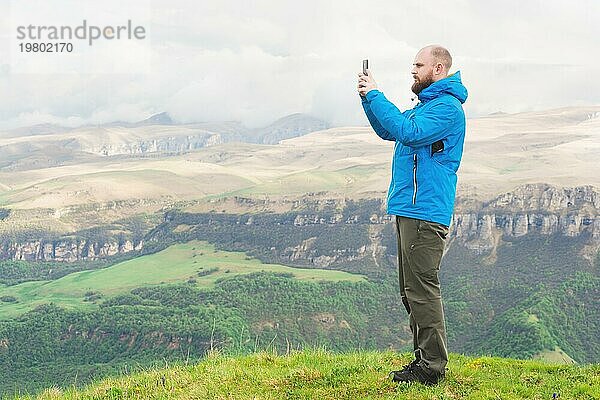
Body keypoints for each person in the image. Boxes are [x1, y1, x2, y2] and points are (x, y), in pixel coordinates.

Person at [357, 45, 468, 385]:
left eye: (419, 65)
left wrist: (377, 93)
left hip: (425, 211)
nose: (413, 70)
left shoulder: (446, 110)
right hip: (409, 208)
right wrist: (367, 98)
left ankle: (432, 368)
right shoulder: (426, 108)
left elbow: (408, 133)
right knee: (410, 290)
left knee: (422, 289)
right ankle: (424, 360)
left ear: (438, 67)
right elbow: (389, 131)